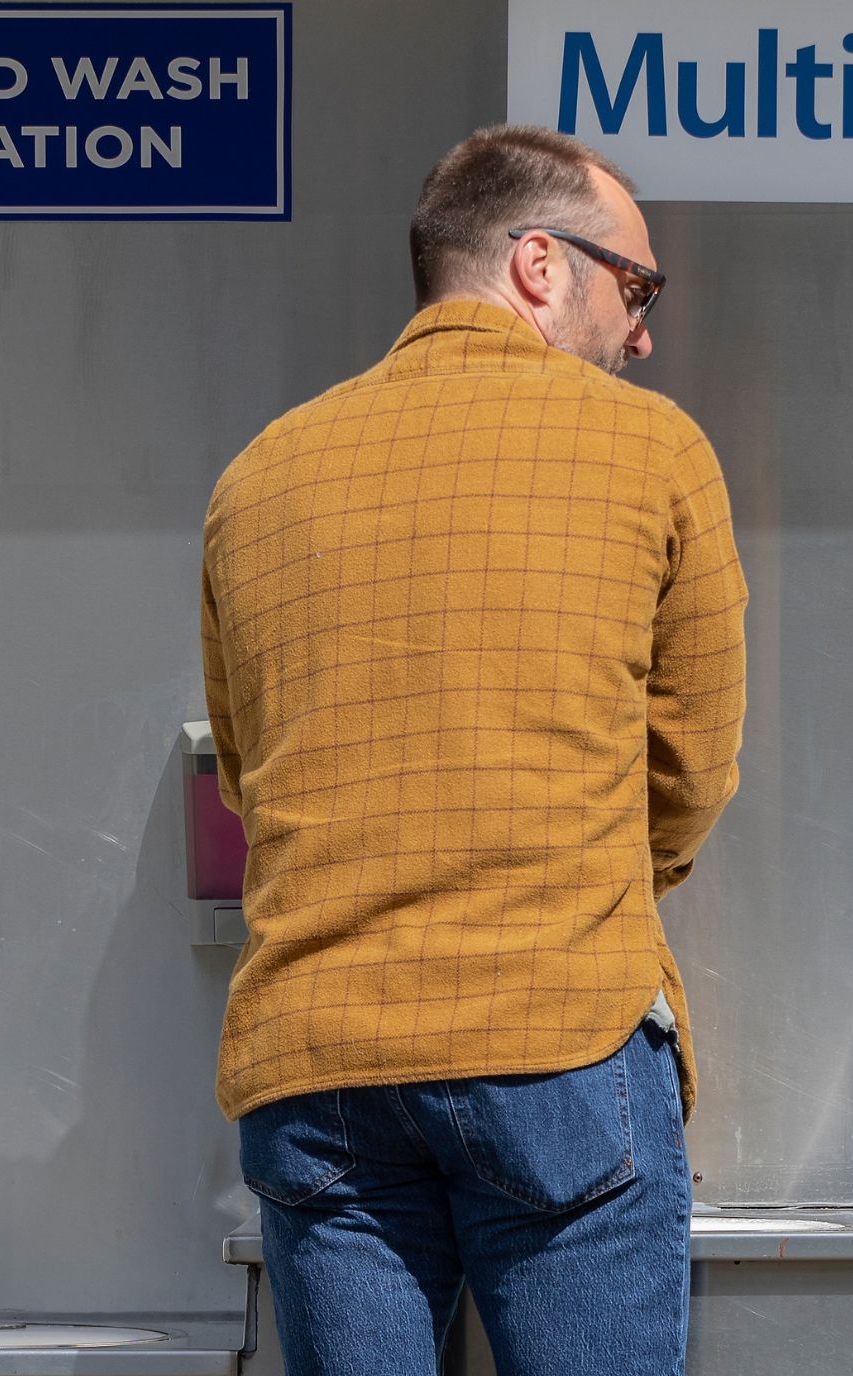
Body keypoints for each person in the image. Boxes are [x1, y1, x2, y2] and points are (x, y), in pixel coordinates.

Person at [199, 125, 746, 1376]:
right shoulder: (653, 449)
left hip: (317, 1055)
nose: (644, 328)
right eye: (636, 284)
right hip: (556, 1032)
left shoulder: (258, 475)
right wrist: (574, 877)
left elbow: (248, 771)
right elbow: (690, 761)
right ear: (540, 264)